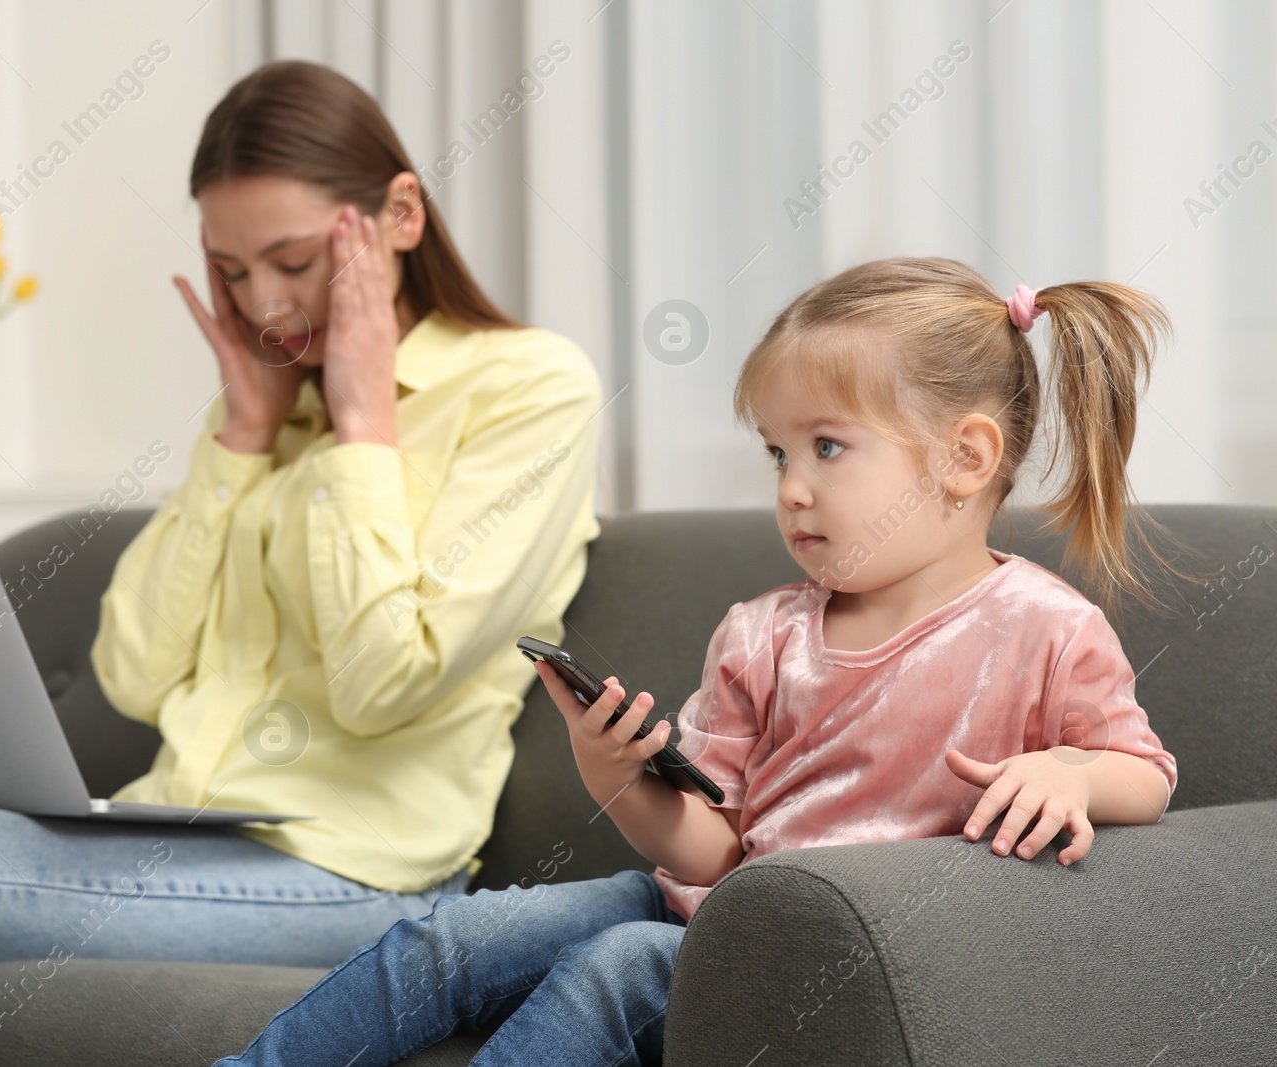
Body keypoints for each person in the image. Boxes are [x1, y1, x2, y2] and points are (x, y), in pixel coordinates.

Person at [0, 60, 603, 1066]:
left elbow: (383, 682)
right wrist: (243, 438)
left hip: (355, 869)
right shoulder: (259, 411)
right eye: (232, 271)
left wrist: (363, 428)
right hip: (181, 828)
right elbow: (135, 671)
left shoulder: (531, 389)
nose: (267, 308)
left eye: (293, 262)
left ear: (399, 216)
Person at [211, 258, 1189, 1066]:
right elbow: (711, 851)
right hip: (716, 900)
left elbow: (1142, 773)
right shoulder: (761, 631)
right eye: (776, 453)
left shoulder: (1043, 628)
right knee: (450, 934)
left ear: (964, 458)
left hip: (837, 944)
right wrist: (616, 778)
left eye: (827, 448)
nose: (793, 488)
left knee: (618, 961)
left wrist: (1070, 769)